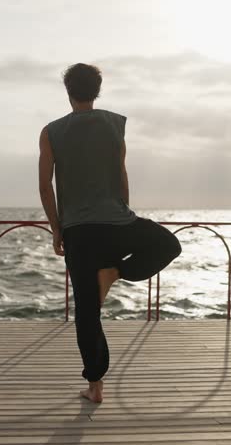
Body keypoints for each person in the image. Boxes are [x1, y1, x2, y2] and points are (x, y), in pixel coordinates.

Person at [38, 63, 181, 403]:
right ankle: (116, 272)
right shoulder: (116, 124)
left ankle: (95, 386)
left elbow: (45, 186)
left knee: (87, 310)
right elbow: (120, 174)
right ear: (97, 90)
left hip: (78, 232)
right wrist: (124, 214)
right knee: (169, 245)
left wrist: (56, 229)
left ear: (68, 91)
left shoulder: (51, 131)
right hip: (117, 223)